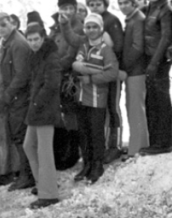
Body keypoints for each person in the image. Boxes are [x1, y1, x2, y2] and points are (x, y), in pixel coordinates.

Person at [72, 13, 119, 183]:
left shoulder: (106, 49)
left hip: (97, 98)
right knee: (83, 133)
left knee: (96, 133)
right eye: (88, 27)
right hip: (81, 97)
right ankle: (87, 164)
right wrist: (97, 69)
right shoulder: (83, 47)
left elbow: (113, 73)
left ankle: (97, 165)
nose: (91, 30)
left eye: (94, 27)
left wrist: (91, 77)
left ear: (101, 29)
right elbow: (75, 65)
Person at [23, 21, 62, 208]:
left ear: (43, 37)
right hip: (36, 108)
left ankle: (49, 194)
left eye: (36, 39)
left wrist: (37, 101)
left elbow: (53, 84)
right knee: (28, 145)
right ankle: (44, 183)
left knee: (44, 151)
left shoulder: (51, 56)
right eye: (30, 40)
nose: (33, 43)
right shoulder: (36, 55)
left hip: (45, 109)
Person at [0, 11, 34, 191]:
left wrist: (7, 95)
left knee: (21, 136)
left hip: (19, 98)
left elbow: (22, 75)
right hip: (13, 97)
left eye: (3, 25)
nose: (1, 29)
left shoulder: (18, 43)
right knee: (17, 136)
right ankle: (24, 173)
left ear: (12, 23)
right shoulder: (7, 42)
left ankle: (27, 175)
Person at [87, 0, 124, 164]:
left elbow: (118, 46)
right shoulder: (92, 21)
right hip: (99, 72)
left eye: (97, 3)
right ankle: (105, 145)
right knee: (103, 109)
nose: (94, 7)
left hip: (111, 70)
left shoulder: (111, 20)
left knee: (113, 107)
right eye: (91, 4)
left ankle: (114, 146)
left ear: (105, 4)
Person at [51, 0, 85, 173]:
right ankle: (61, 152)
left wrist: (54, 67)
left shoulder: (78, 27)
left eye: (71, 8)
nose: (68, 11)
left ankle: (72, 153)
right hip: (55, 76)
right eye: (64, 8)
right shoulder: (56, 26)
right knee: (59, 113)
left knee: (71, 113)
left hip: (69, 76)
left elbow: (71, 54)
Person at [141, 0, 172, 155]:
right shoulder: (149, 8)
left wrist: (155, 62)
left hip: (159, 60)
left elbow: (166, 37)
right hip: (148, 58)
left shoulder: (165, 10)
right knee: (151, 101)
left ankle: (163, 142)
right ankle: (154, 140)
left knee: (161, 100)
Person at [118, 0, 149, 160]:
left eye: (125, 2)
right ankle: (135, 145)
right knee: (132, 108)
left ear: (133, 3)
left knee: (136, 109)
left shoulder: (137, 19)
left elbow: (138, 46)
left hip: (136, 71)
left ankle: (138, 148)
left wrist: (124, 66)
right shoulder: (132, 18)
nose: (122, 6)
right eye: (120, 3)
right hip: (133, 71)